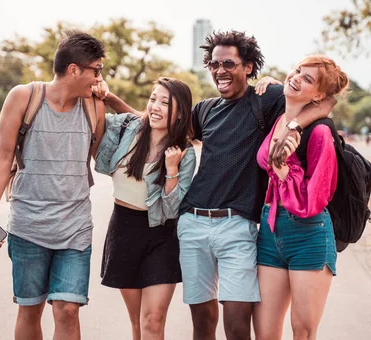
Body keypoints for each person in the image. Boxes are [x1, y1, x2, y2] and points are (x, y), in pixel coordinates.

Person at [98, 30, 334, 340]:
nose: (220, 70)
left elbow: (325, 101)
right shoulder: (206, 109)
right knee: (203, 321)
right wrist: (110, 98)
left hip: (238, 226)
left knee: (236, 324)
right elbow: (154, 124)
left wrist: (289, 111)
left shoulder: (266, 100)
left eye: (229, 63)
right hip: (193, 223)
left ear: (248, 67)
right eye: (214, 63)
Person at [0, 31, 106, 340]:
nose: (99, 78)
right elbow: (3, 156)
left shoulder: (94, 108)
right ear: (74, 69)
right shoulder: (24, 97)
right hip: (28, 227)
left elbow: (106, 157)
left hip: (75, 231)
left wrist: (109, 98)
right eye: (96, 70)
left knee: (67, 309)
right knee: (30, 308)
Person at [253, 56, 349, 340]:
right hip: (269, 230)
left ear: (319, 95)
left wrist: (284, 172)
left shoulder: (319, 132)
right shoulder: (280, 120)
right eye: (297, 71)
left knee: (303, 331)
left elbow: (314, 199)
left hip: (309, 234)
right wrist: (268, 83)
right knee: (265, 332)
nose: (295, 78)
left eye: (307, 79)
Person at [94, 77, 196, 340]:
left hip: (161, 235)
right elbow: (99, 118)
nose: (156, 107)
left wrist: (171, 170)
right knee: (137, 324)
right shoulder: (128, 129)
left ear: (181, 113)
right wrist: (105, 94)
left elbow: (173, 209)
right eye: (153, 99)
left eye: (165, 102)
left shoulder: (183, 152)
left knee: (152, 321)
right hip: (124, 230)